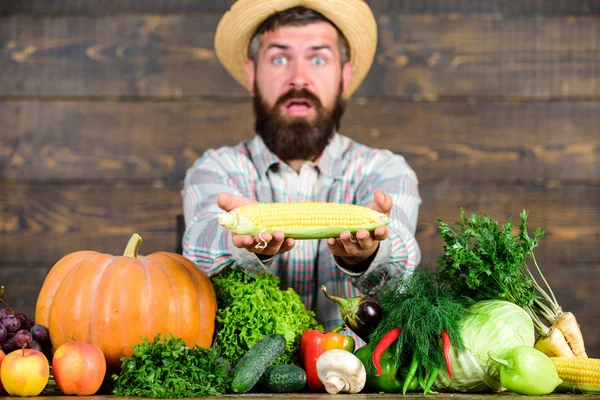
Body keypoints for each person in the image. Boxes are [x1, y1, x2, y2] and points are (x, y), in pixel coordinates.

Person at [181, 0, 422, 335]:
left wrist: (368, 253)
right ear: (252, 74)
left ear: (344, 75)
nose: (298, 78)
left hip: (360, 382)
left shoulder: (384, 170)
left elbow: (404, 257)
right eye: (279, 58)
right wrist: (239, 239)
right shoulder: (216, 169)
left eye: (318, 58)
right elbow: (197, 247)